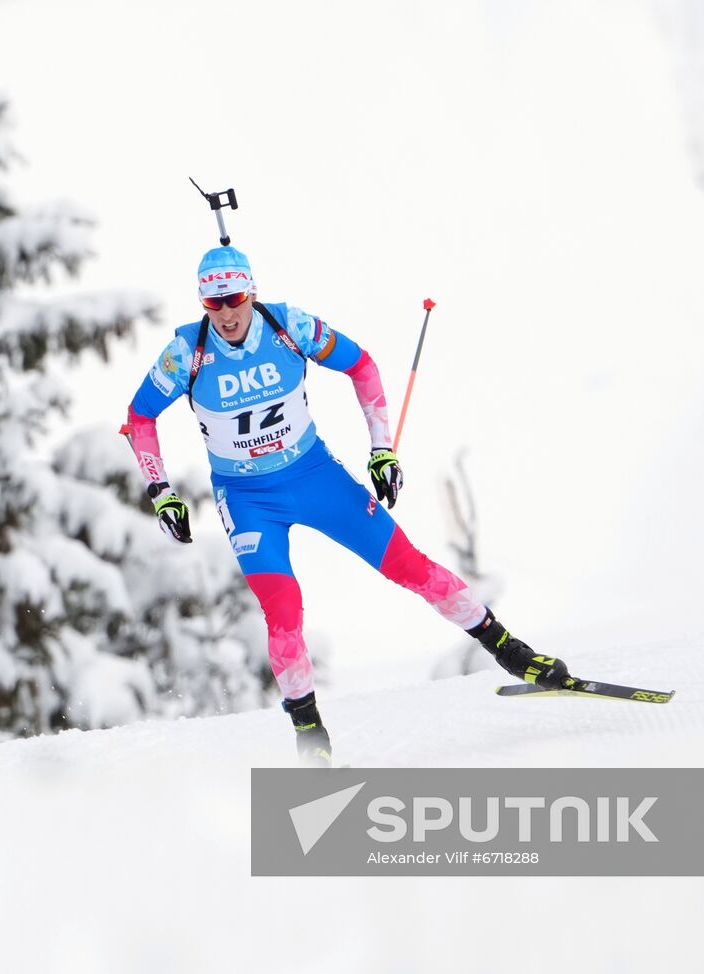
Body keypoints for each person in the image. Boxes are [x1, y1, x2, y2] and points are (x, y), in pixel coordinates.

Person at [122, 246, 573, 765]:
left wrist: (381, 448)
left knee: (409, 566)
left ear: (252, 291)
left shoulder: (290, 326)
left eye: (236, 297)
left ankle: (514, 654)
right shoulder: (186, 353)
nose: (226, 312)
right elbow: (140, 417)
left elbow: (361, 365)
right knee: (283, 610)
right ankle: (310, 734)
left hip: (314, 476)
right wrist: (162, 492)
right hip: (247, 499)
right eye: (213, 301)